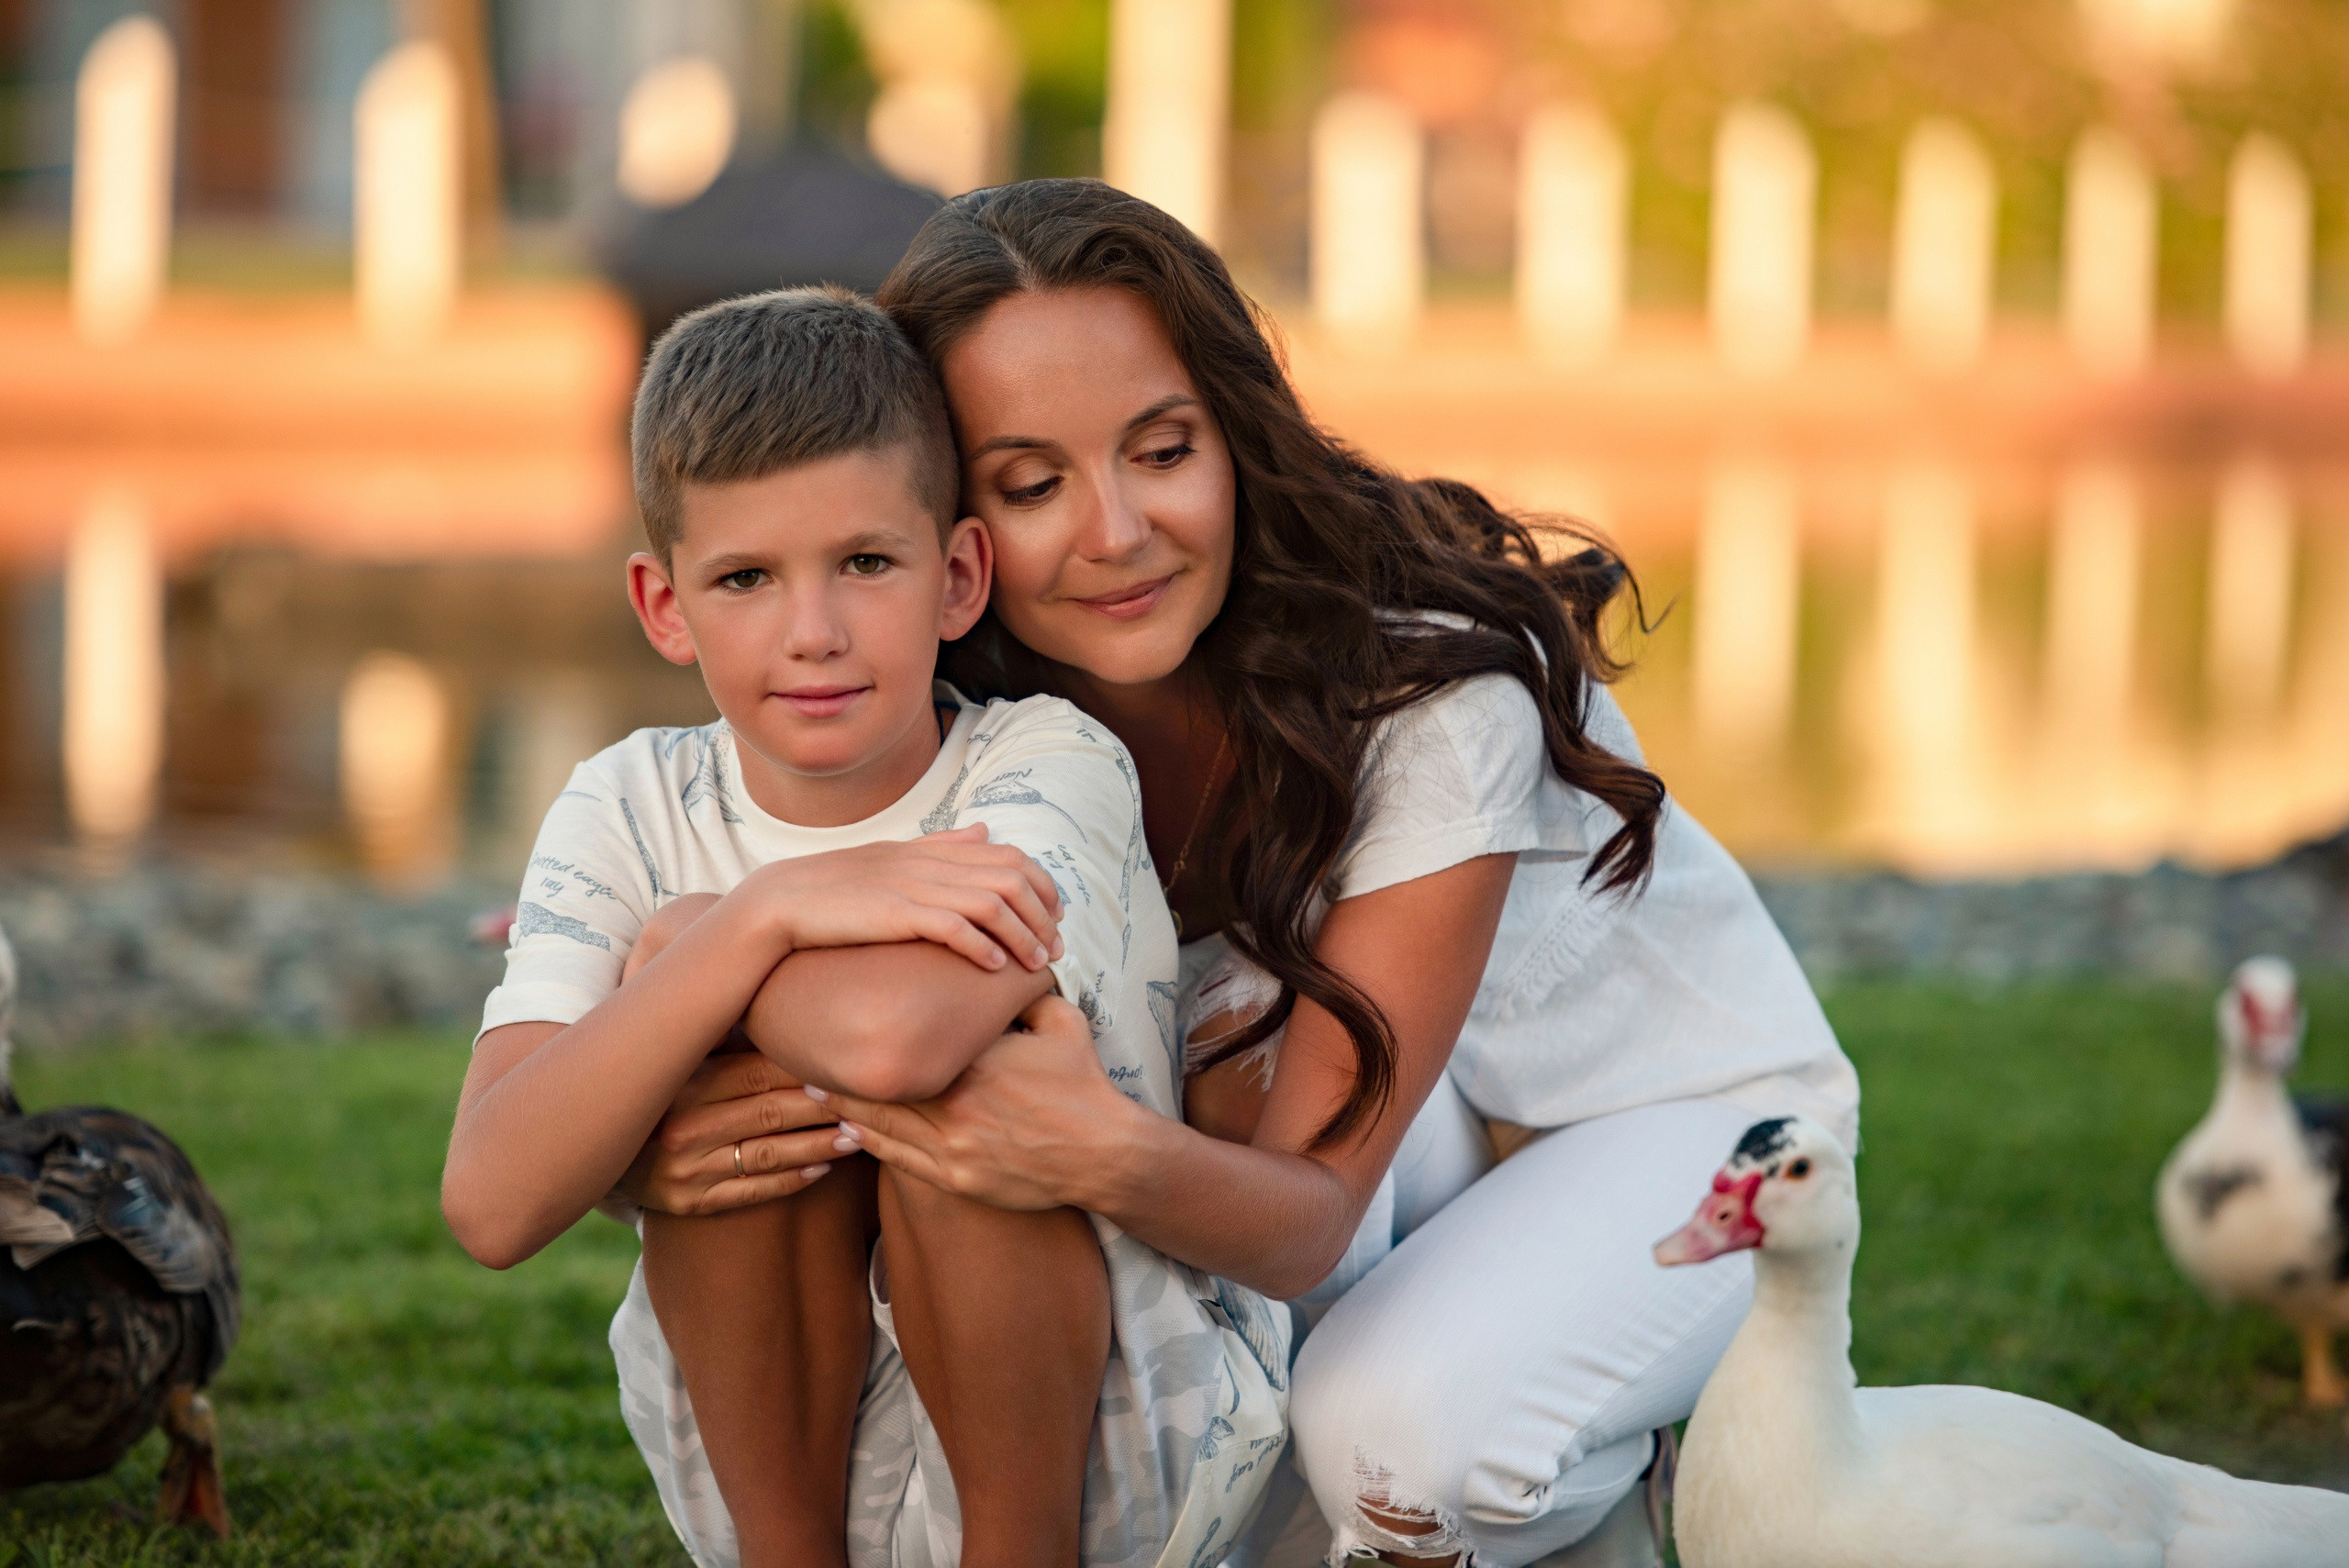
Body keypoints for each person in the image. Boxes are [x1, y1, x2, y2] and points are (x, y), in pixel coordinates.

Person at [613, 182, 1863, 1568]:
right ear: (949, 525)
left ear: (1235, 434)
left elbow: (1302, 1215)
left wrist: (1093, 1144)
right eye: (1031, 485)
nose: (1117, 531)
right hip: (1381, 1122)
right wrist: (655, 1109)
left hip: (1670, 1131)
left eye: (1161, 450)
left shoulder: (1424, 693)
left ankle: (1618, 1477)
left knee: (1396, 1455)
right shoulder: (960, 692)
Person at [440, 285, 1289, 1568]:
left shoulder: (1047, 760)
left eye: (866, 563)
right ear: (664, 606)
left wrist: (686, 955)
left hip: (1105, 1440)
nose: (815, 633)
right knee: (730, 1107)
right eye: (744, 578)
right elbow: (492, 1202)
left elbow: (900, 1042)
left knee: (962, 1100)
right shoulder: (629, 802)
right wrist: (758, 917)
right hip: (789, 1453)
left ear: (957, 576)